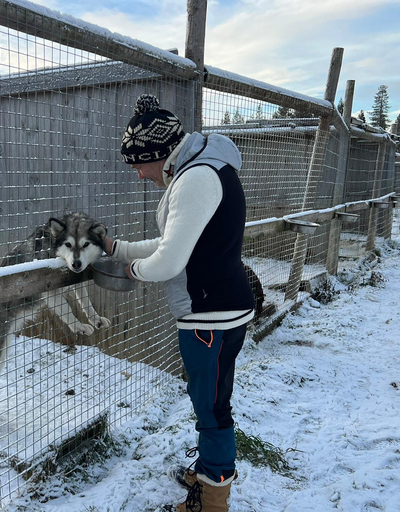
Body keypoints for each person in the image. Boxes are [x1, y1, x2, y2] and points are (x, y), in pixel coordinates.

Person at [105, 94, 255, 512]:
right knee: (211, 399)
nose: (136, 174)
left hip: (211, 316)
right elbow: (176, 242)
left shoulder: (195, 179)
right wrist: (121, 248)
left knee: (211, 407)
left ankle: (212, 497)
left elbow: (170, 259)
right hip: (221, 309)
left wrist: (128, 272)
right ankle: (211, 470)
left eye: (137, 163)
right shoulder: (203, 171)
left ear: (159, 153)